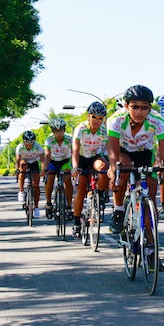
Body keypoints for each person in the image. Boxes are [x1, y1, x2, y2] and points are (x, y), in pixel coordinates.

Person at [107, 85, 164, 271]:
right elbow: (112, 151)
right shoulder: (116, 120)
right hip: (122, 153)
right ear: (126, 106)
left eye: (144, 107)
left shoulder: (157, 120)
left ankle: (152, 251)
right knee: (124, 168)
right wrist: (113, 170)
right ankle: (119, 209)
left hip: (145, 154)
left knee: (149, 202)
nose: (139, 111)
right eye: (134, 106)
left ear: (150, 108)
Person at [71, 101, 109, 239]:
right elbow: (75, 150)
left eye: (100, 118)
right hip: (81, 158)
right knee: (80, 189)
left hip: (94, 157)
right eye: (94, 117)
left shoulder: (104, 130)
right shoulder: (80, 128)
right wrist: (75, 167)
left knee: (103, 168)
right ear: (88, 116)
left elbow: (109, 150)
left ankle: (99, 195)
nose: (97, 121)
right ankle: (76, 222)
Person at [42, 118, 74, 220]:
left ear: (64, 130)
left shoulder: (70, 139)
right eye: (56, 131)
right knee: (50, 179)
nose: (59, 133)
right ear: (53, 131)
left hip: (65, 161)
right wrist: (45, 169)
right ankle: (48, 204)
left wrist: (74, 167)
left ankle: (69, 207)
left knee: (67, 180)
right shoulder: (49, 140)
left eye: (61, 130)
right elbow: (47, 155)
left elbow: (74, 153)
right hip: (52, 161)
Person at [15, 130, 44, 218]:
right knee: (22, 166)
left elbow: (43, 160)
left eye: (31, 142)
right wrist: (17, 169)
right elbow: (18, 160)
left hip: (34, 163)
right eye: (27, 142)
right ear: (24, 142)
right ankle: (21, 191)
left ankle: (36, 207)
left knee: (36, 185)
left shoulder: (38, 147)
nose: (29, 144)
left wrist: (43, 169)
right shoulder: (20, 147)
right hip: (25, 162)